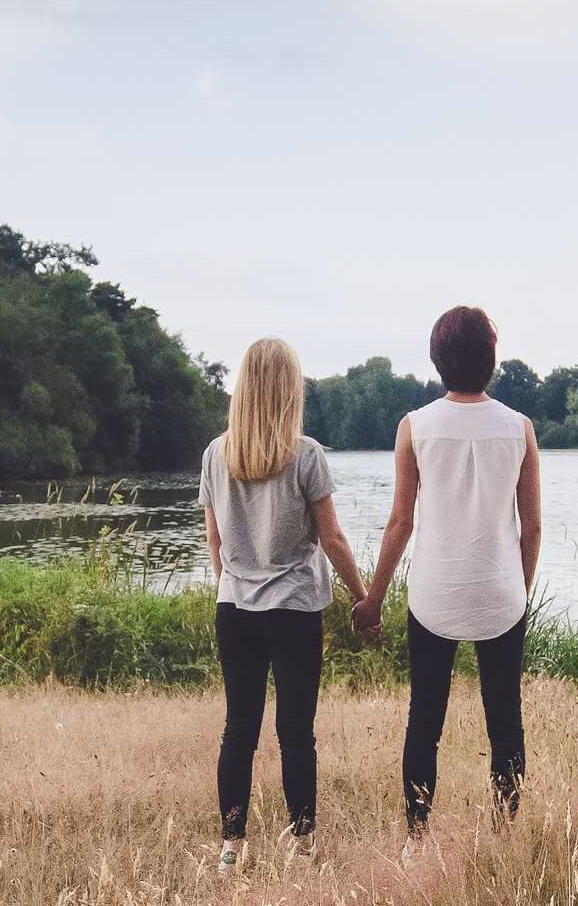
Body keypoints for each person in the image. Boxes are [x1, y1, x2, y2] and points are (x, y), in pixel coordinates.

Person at [354, 305, 542, 838]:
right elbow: (532, 529)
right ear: (491, 359)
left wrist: (372, 599)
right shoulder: (520, 429)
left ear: (438, 360)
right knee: (505, 721)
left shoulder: (414, 426)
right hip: (500, 598)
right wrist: (519, 591)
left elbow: (400, 521)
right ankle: (504, 834)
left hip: (433, 597)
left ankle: (417, 837)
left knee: (424, 721)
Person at [201, 337, 367, 872]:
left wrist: (234, 586)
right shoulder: (306, 454)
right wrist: (364, 598)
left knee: (238, 728)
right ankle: (301, 846)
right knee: (296, 732)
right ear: (290, 389)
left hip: (236, 609)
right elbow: (333, 539)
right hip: (294, 609)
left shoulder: (215, 453)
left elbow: (215, 542)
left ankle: (231, 847)